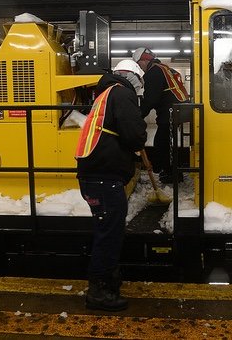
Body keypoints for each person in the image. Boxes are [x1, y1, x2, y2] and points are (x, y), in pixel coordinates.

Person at [75, 59, 147, 311]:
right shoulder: (122, 93)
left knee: (107, 231)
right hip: (103, 177)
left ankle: (109, 281)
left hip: (95, 176)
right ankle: (99, 292)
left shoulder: (105, 93)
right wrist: (141, 136)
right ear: (134, 78)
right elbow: (134, 134)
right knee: (109, 236)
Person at [131, 47, 189, 184]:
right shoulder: (163, 68)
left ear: (145, 61)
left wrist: (137, 115)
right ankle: (166, 170)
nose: (140, 68)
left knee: (163, 143)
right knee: (163, 141)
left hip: (170, 111)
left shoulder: (154, 72)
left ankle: (171, 174)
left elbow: (151, 99)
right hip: (178, 109)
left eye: (139, 64)